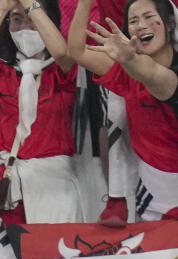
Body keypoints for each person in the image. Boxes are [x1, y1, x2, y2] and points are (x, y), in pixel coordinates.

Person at [0, 0, 80, 224]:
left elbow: (62, 53)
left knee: (54, 257)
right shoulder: (4, 71)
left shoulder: (60, 71)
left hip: (55, 188)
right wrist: (1, 10)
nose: (24, 28)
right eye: (17, 20)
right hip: (12, 185)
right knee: (6, 257)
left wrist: (30, 4)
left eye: (32, 21)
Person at [68, 0, 178, 221]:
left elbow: (156, 76)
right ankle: (116, 200)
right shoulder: (125, 72)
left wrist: (131, 59)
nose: (141, 25)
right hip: (153, 198)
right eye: (134, 21)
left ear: (170, 23)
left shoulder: (161, 73)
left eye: (148, 17)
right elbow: (76, 50)